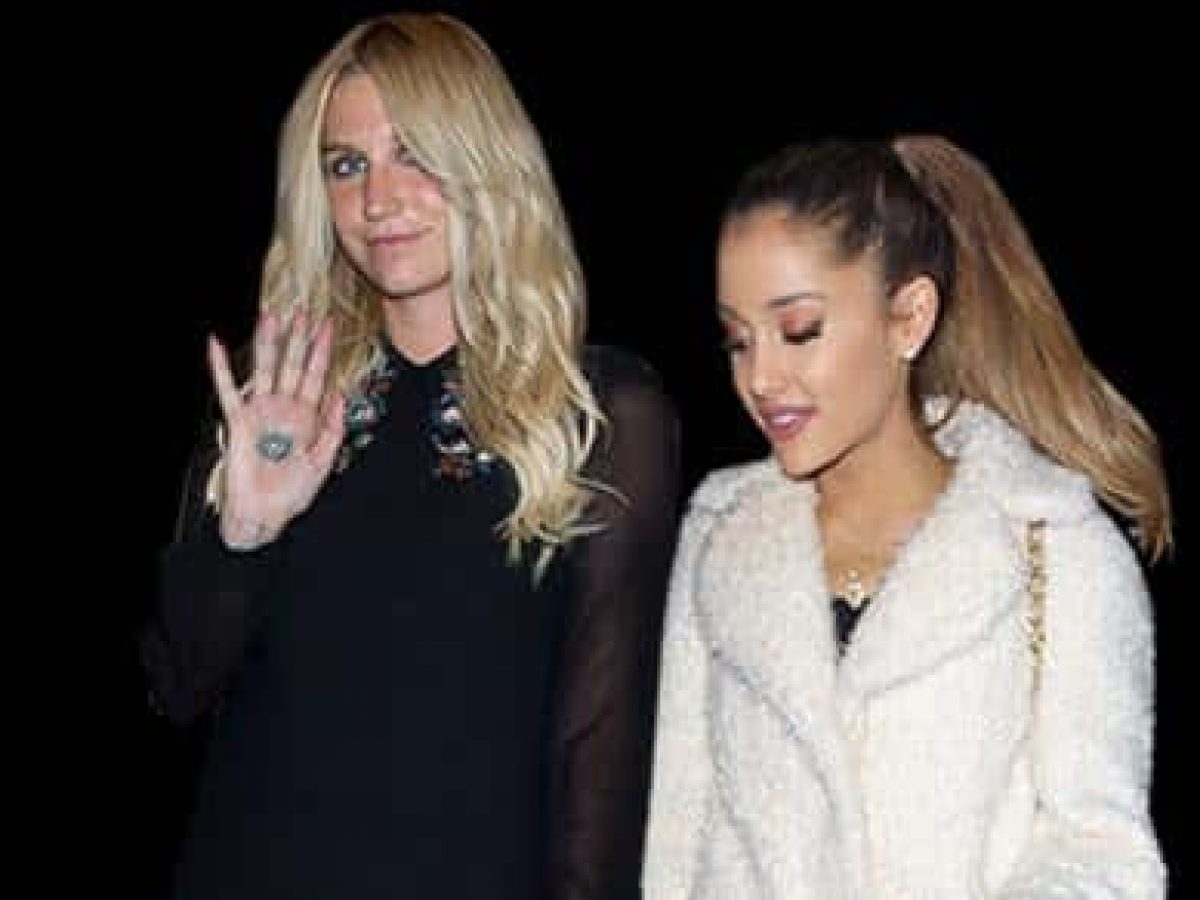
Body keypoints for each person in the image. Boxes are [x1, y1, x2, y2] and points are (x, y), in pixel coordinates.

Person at [139, 12, 681, 900]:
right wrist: (245, 531)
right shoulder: (275, 396)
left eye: (414, 155)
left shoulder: (603, 415)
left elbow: (601, 760)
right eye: (346, 165)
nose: (378, 200)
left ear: (486, 162)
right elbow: (178, 684)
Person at [642, 136, 1170, 898]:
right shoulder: (720, 533)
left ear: (910, 319)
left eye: (799, 330)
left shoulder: (1055, 548)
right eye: (738, 341)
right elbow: (676, 848)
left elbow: (1104, 856)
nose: (760, 377)